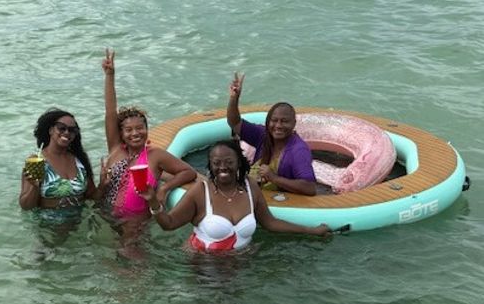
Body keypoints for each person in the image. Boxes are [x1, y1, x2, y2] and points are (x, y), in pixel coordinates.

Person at [139, 140, 331, 253]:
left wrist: (311, 231)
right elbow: (169, 224)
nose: (222, 166)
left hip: (242, 264)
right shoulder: (201, 191)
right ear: (210, 165)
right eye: (216, 163)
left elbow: (269, 223)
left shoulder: (251, 186)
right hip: (204, 267)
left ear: (239, 163)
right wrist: (154, 202)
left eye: (229, 161)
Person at [97, 48, 197, 225]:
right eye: (129, 130)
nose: (135, 133)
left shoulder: (155, 155)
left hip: (135, 222)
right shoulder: (115, 148)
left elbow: (188, 172)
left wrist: (165, 187)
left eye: (140, 128)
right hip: (105, 214)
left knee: (128, 252)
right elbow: (110, 111)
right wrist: (110, 76)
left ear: (146, 129)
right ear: (121, 133)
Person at [226, 73, 317, 195]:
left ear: (294, 123)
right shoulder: (263, 135)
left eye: (284, 121)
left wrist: (274, 178)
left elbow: (310, 188)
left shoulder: (298, 150)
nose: (278, 126)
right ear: (268, 121)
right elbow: (235, 123)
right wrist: (234, 98)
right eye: (274, 121)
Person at [19, 108, 97, 228]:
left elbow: (91, 195)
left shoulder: (79, 160)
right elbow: (26, 206)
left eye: (72, 130)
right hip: (49, 230)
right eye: (61, 128)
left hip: (78, 228)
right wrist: (34, 187)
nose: (67, 132)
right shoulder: (37, 161)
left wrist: (105, 182)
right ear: (51, 130)